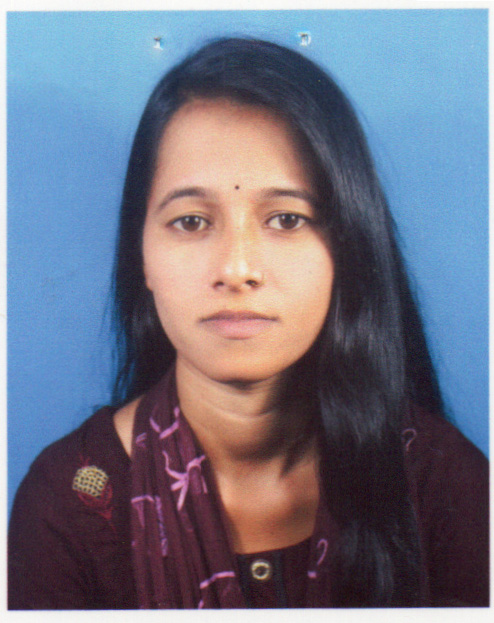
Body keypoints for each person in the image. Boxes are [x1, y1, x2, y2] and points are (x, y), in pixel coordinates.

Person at [8, 37, 488, 609]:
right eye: (191, 222)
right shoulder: (69, 503)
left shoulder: (442, 484)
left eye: (286, 219)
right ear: (142, 257)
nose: (237, 270)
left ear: (348, 248)